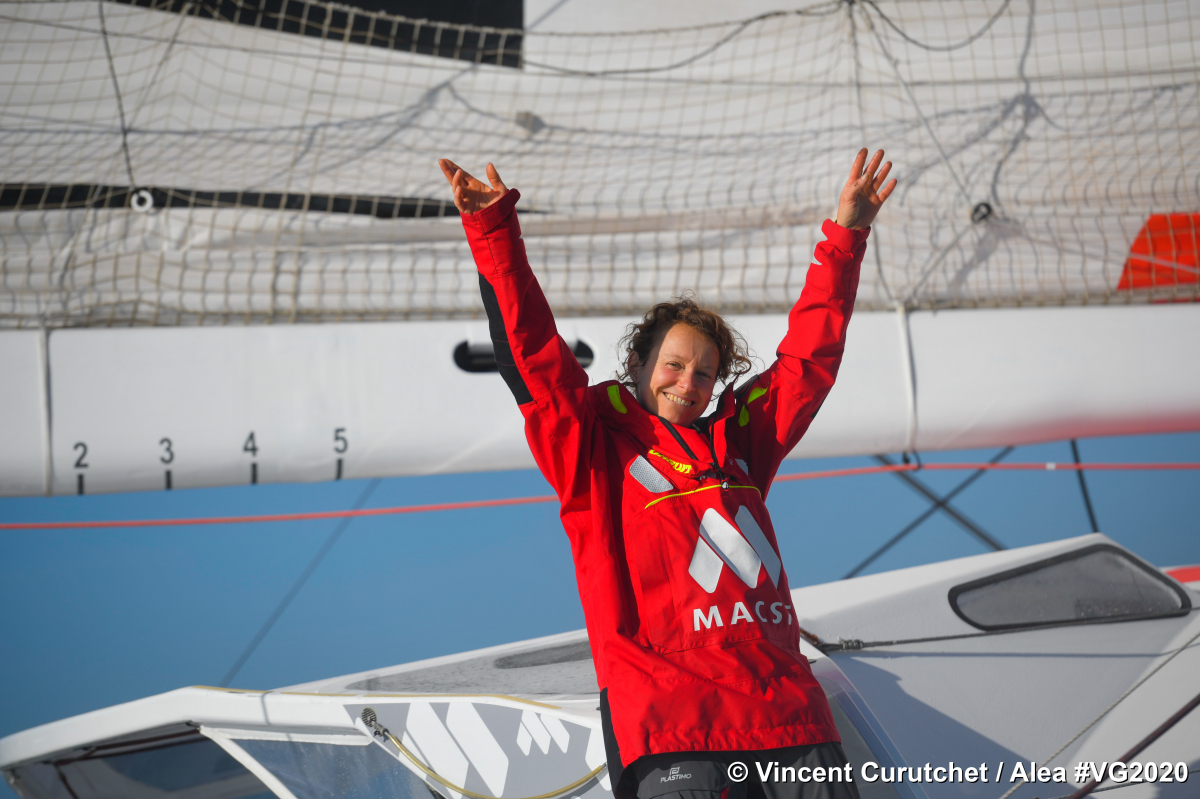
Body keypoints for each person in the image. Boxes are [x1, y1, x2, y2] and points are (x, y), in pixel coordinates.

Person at [438, 150, 895, 799]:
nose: (689, 383)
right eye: (675, 365)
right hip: (670, 727)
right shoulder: (593, 445)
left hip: (789, 716)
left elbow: (810, 359)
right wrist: (493, 233)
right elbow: (535, 358)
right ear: (638, 361)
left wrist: (846, 235)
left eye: (705, 372)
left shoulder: (743, 438)